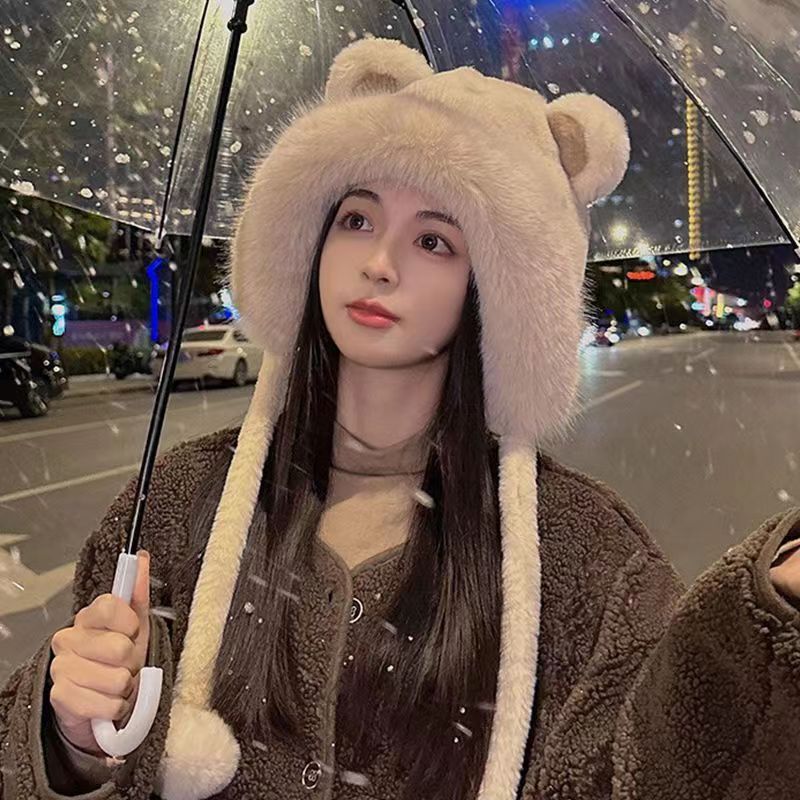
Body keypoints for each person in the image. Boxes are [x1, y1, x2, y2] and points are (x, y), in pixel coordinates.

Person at [2, 37, 800, 800]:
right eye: (357, 219)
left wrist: (762, 610)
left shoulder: (581, 551)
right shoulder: (177, 505)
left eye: (433, 240)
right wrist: (72, 738)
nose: (378, 262)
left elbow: (651, 761)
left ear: (494, 290)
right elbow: (46, 744)